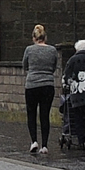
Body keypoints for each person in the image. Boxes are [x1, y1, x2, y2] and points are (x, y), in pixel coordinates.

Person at [22, 23, 60, 154]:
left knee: (31, 114)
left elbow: (25, 65)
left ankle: (34, 142)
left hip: (32, 85)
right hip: (47, 85)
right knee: (45, 115)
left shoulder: (29, 50)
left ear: (34, 38)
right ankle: (44, 145)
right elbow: (55, 66)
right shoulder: (52, 50)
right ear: (45, 37)